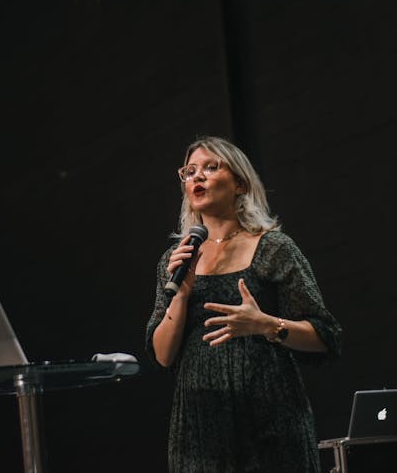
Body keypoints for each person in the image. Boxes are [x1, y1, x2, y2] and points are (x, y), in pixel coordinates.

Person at [145, 136, 342, 473]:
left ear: (239, 182)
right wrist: (181, 291)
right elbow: (163, 354)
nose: (198, 177)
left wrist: (266, 325)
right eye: (190, 171)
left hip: (270, 419)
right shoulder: (174, 260)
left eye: (210, 167)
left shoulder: (273, 248)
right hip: (200, 427)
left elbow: (325, 335)